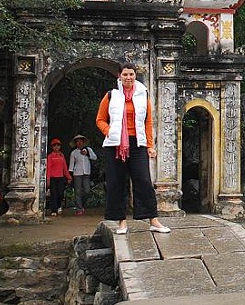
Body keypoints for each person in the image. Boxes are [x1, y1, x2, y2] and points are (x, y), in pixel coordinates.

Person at [96, 62, 170, 234]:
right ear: (119, 76)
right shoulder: (111, 95)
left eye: (131, 74)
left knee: (144, 181)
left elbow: (148, 122)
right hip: (115, 145)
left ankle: (153, 220)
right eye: (125, 75)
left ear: (135, 75)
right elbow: (100, 119)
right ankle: (121, 222)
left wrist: (150, 145)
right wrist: (110, 132)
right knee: (116, 183)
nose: (128, 78)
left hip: (137, 144)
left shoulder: (142, 94)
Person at [68, 134, 97, 215]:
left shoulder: (88, 150)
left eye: (81, 141)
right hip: (77, 173)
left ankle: (82, 205)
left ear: (83, 142)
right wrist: (70, 175)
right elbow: (71, 165)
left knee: (87, 191)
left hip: (86, 172)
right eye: (77, 141)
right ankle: (79, 208)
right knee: (77, 191)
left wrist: (87, 154)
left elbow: (95, 157)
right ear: (76, 143)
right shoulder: (74, 153)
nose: (79, 143)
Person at [45, 138, 71, 217]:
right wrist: (48, 179)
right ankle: (53, 210)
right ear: (52, 147)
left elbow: (64, 168)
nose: (56, 147)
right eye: (54, 145)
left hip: (60, 177)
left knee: (60, 194)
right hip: (53, 178)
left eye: (58, 145)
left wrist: (69, 177)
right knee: (54, 194)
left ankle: (59, 206)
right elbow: (48, 168)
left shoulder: (61, 155)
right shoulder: (50, 156)